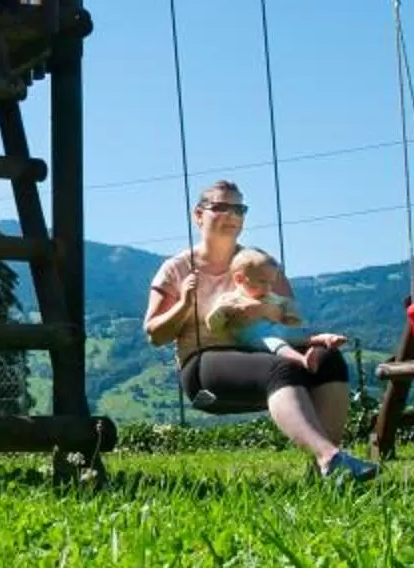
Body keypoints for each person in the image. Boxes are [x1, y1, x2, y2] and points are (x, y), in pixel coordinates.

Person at [143, 180, 376, 484]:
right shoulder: (176, 269)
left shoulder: (258, 264)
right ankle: (329, 457)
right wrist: (185, 303)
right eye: (221, 207)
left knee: (328, 360)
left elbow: (290, 321)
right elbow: (155, 334)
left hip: (261, 351)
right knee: (279, 367)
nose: (232, 215)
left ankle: (325, 472)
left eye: (239, 208)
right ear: (198, 215)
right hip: (204, 366)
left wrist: (268, 312)